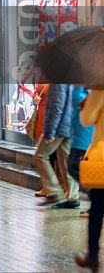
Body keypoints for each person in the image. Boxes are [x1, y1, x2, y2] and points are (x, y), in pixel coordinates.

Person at [35, 79, 80, 208]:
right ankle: (72, 197)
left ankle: (55, 193)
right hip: (71, 124)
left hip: (60, 127)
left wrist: (49, 132)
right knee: (65, 161)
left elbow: (56, 106)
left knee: (40, 156)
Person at [76, 88, 104, 270]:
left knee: (97, 209)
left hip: (102, 159)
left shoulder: (100, 90)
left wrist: (86, 104)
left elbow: (86, 119)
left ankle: (93, 256)